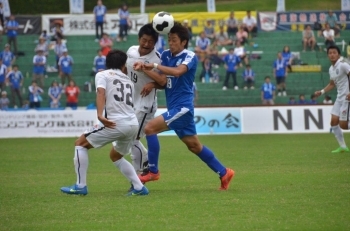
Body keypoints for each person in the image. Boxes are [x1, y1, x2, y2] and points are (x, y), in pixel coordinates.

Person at [133, 22, 235, 190]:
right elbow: (165, 81)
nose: (170, 43)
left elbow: (178, 72)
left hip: (183, 108)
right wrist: (149, 77)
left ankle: (153, 171)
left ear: (183, 42)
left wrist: (155, 66)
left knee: (150, 128)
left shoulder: (190, 56)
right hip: (175, 108)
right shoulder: (165, 55)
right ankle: (224, 172)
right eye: (169, 39)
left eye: (174, 40)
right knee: (194, 146)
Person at [60, 49, 149, 196]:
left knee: (80, 144)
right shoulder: (129, 81)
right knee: (116, 156)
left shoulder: (102, 75)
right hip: (133, 124)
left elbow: (101, 93)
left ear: (107, 63)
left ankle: (80, 186)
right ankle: (139, 187)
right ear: (123, 65)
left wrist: (100, 115)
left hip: (114, 123)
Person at [125, 23, 162, 180]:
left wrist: (151, 82)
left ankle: (141, 176)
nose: (147, 44)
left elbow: (163, 82)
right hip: (130, 103)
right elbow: (125, 69)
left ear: (155, 42)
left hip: (145, 106)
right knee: (127, 140)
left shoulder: (157, 59)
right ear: (139, 38)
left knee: (131, 139)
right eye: (144, 40)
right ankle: (146, 162)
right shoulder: (131, 51)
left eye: (151, 42)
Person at [314, 45, 350, 153]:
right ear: (327, 55)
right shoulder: (331, 69)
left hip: (347, 98)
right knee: (334, 122)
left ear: (338, 54)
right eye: (330, 53)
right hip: (339, 98)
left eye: (334, 52)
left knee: (343, 125)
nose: (332, 54)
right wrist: (322, 92)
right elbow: (332, 84)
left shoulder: (343, 65)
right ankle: (343, 146)